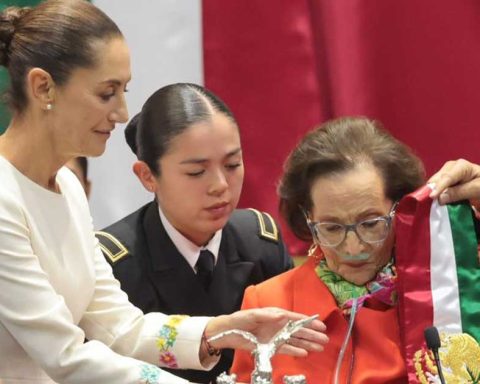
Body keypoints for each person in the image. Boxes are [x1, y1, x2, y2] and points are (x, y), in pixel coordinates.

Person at [0, 1, 328, 383]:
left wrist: (223, 330)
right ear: (43, 87)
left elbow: (119, 325)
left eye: (124, 91)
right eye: (107, 93)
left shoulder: (67, 186)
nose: (123, 112)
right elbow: (65, 355)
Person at [231, 117, 480, 383]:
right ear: (307, 217)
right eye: (332, 228)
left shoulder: (450, 291)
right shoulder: (268, 303)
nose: (353, 247)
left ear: (401, 212)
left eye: (371, 224)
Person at [95, 83, 293, 383]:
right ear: (147, 176)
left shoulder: (260, 240)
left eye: (232, 164)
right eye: (196, 172)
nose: (220, 185)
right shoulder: (110, 261)